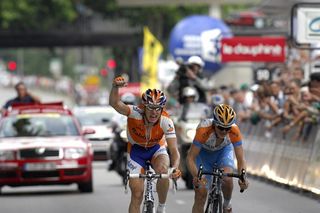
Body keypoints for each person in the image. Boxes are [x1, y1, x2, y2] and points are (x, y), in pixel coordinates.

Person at [109, 76, 181, 213]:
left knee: (163, 171)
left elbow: (174, 150)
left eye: (158, 108)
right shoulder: (134, 113)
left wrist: (176, 168)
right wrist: (115, 87)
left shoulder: (166, 121)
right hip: (136, 152)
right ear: (144, 107)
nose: (154, 112)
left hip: (156, 149)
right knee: (137, 194)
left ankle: (161, 207)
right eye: (151, 108)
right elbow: (115, 103)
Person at [186, 104, 249, 213]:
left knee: (227, 178)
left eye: (227, 128)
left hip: (223, 152)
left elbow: (241, 159)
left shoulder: (234, 131)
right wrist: (197, 176)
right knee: (201, 193)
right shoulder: (203, 129)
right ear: (214, 123)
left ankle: (227, 203)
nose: (224, 131)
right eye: (220, 127)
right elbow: (190, 158)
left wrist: (243, 177)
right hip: (203, 155)